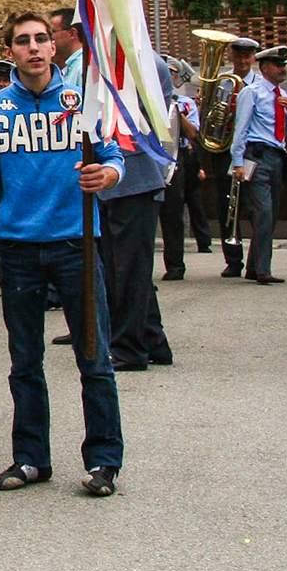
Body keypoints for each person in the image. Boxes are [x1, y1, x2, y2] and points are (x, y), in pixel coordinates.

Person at [0, 11, 126, 498]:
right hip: (17, 249)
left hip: (77, 243)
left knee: (93, 356)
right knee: (24, 359)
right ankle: (31, 457)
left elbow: (114, 155)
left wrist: (108, 176)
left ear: (54, 47)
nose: (33, 47)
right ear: (9, 52)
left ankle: (103, 462)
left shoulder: (85, 102)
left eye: (41, 39)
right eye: (22, 41)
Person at [100, 56, 175, 368]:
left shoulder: (144, 61)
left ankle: (130, 348)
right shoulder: (101, 57)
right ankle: (153, 340)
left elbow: (151, 111)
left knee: (126, 270)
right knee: (128, 268)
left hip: (136, 176)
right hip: (112, 180)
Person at [228, 45, 287, 285]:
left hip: (277, 156)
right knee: (263, 212)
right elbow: (241, 128)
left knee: (272, 212)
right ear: (266, 67)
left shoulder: (283, 95)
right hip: (256, 155)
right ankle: (263, 270)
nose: (282, 70)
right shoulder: (253, 92)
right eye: (278, 66)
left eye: (284, 66)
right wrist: (237, 162)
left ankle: (253, 266)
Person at [204, 35, 260, 278]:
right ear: (231, 56)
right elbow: (211, 117)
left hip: (252, 151)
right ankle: (233, 260)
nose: (243, 60)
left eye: (247, 55)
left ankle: (257, 261)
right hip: (225, 151)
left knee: (256, 205)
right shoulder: (222, 83)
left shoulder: (260, 84)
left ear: (254, 58)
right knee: (227, 204)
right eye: (238, 55)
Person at [160, 57, 210, 281]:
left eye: (172, 73)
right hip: (153, 156)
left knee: (173, 214)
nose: (169, 77)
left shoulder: (185, 103)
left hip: (177, 158)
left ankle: (175, 265)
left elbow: (192, 133)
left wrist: (175, 111)